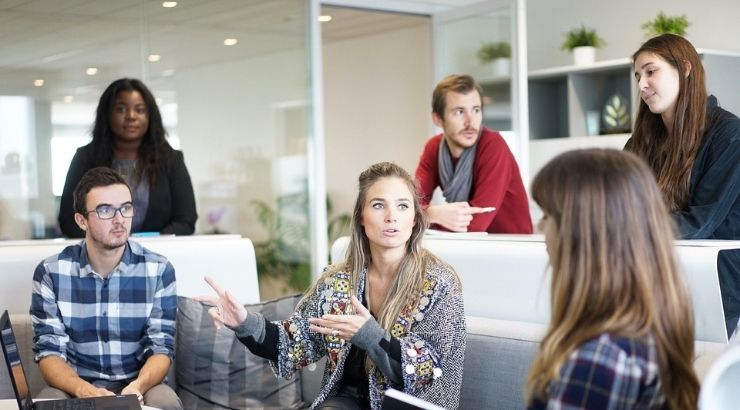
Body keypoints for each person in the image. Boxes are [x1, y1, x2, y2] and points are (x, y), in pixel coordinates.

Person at [197, 162, 465, 410]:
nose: (391, 216)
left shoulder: (439, 283)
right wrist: (244, 323)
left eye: (403, 206)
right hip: (348, 402)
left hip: (409, 405)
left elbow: (427, 370)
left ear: (415, 219)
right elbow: (293, 343)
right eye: (379, 205)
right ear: (361, 216)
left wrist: (370, 335)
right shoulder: (338, 281)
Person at [525, 149, 699, 409]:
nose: (540, 227)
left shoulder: (599, 359)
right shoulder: (646, 331)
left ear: (581, 234)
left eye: (547, 216)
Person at [31, 167, 181, 410]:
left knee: (166, 402)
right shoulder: (51, 272)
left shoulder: (159, 269)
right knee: (48, 400)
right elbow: (49, 353)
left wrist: (137, 387)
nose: (120, 219)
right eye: (105, 210)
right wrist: (85, 390)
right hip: (75, 385)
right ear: (82, 220)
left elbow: (161, 348)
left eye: (126, 208)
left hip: (140, 384)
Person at [626, 34, 740, 336]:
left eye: (651, 71)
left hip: (714, 286)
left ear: (685, 69)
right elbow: (617, 204)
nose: (641, 85)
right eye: (638, 76)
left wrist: (625, 228)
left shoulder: (729, 134)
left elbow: (701, 222)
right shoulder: (640, 142)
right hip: (653, 277)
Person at [58, 78, 197, 238]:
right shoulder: (85, 158)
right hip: (99, 257)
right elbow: (69, 221)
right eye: (121, 109)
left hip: (157, 255)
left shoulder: (171, 160)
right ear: (107, 114)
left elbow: (185, 221)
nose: (131, 116)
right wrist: (110, 242)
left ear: (150, 116)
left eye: (140, 110)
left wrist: (146, 245)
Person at [414, 74, 532, 233]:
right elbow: (409, 207)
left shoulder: (493, 145)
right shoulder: (434, 148)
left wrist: (426, 216)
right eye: (459, 112)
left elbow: (476, 224)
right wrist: (432, 213)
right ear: (437, 119)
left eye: (476, 110)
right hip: (468, 247)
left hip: (511, 248)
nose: (470, 122)